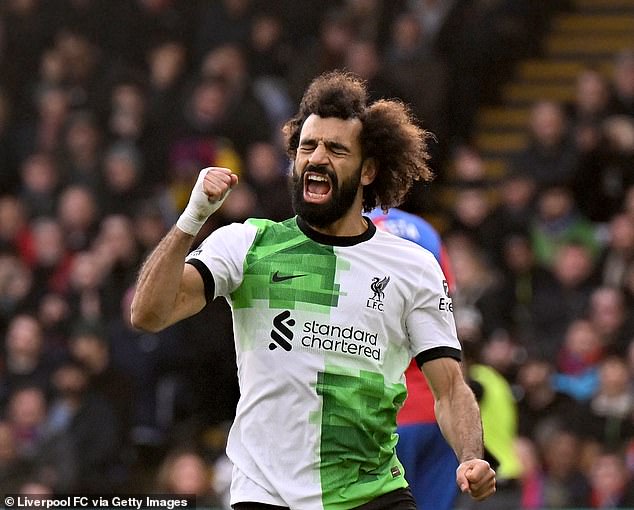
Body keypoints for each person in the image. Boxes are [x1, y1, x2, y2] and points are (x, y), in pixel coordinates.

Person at [131, 70, 496, 510]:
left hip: (370, 493)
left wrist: (471, 457)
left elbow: (451, 389)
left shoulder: (412, 266)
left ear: (368, 171)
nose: (316, 158)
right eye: (307, 146)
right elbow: (148, 314)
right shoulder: (248, 245)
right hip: (268, 497)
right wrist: (191, 218)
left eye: (336, 149)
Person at [368, 207, 460, 510]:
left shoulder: (351, 232)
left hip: (383, 416)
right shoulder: (425, 230)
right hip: (440, 414)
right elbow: (449, 316)